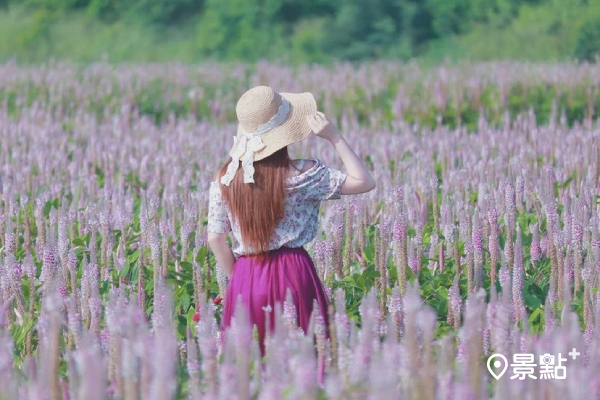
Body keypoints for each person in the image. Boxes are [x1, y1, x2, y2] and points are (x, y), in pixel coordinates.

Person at [206, 85, 376, 383]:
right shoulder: (303, 175)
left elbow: (215, 239)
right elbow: (363, 181)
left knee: (247, 370)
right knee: (306, 364)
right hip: (293, 273)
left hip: (246, 275)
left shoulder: (226, 178)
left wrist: (238, 278)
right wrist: (334, 137)